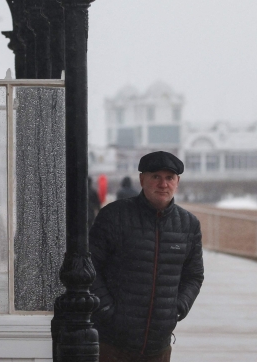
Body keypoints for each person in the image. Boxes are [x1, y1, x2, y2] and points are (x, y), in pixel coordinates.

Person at [89, 151, 203, 362]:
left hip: (158, 346)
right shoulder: (114, 216)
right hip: (112, 343)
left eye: (169, 178)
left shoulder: (189, 225)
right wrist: (107, 310)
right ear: (142, 179)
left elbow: (194, 275)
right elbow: (91, 267)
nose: (163, 184)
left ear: (177, 182)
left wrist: (179, 307)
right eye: (155, 177)